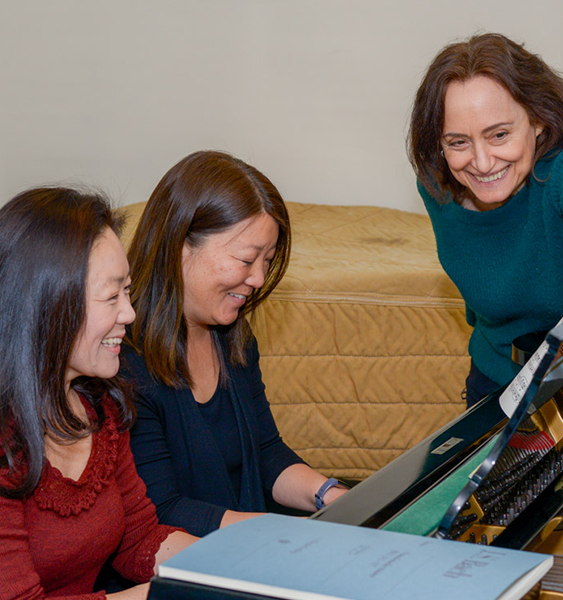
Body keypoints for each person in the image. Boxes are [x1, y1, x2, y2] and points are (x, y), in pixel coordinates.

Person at [122, 150, 347, 538]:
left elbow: (265, 451)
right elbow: (162, 511)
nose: (259, 278)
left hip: (239, 544)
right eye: (246, 260)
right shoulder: (125, 362)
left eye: (268, 260)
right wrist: (286, 532)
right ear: (180, 245)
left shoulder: (232, 339)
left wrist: (330, 495)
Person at [0, 187, 197, 600]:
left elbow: (138, 537)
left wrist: (232, 565)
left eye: (127, 291)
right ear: (49, 307)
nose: (130, 313)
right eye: (112, 296)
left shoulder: (98, 406)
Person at [408, 32, 563, 407]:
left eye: (499, 135)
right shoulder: (436, 187)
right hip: (494, 384)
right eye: (458, 142)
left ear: (539, 121)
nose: (482, 162)